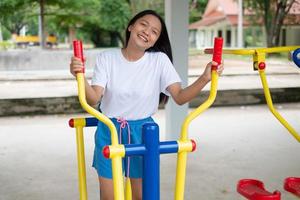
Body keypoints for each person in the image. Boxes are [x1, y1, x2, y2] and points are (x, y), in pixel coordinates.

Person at [70, 9, 223, 200]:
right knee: (109, 197)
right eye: (143, 24)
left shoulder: (159, 60)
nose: (147, 32)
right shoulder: (107, 58)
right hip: (109, 129)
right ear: (131, 26)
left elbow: (180, 97)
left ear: (156, 40)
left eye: (154, 31)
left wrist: (205, 78)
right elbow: (93, 99)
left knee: (141, 196)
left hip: (143, 132)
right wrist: (80, 75)